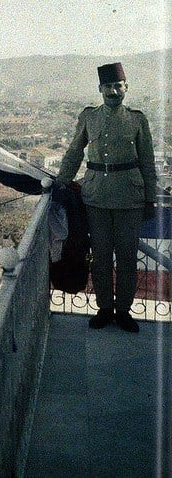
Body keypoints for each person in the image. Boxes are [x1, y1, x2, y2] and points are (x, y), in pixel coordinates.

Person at [56, 62, 157, 333]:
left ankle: (123, 312)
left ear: (126, 88)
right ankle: (104, 309)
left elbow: (147, 161)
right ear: (100, 89)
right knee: (100, 257)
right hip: (96, 198)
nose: (113, 91)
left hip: (129, 198)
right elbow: (75, 152)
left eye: (118, 86)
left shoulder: (137, 119)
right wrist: (61, 182)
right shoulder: (89, 117)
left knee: (126, 257)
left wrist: (150, 199)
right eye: (108, 87)